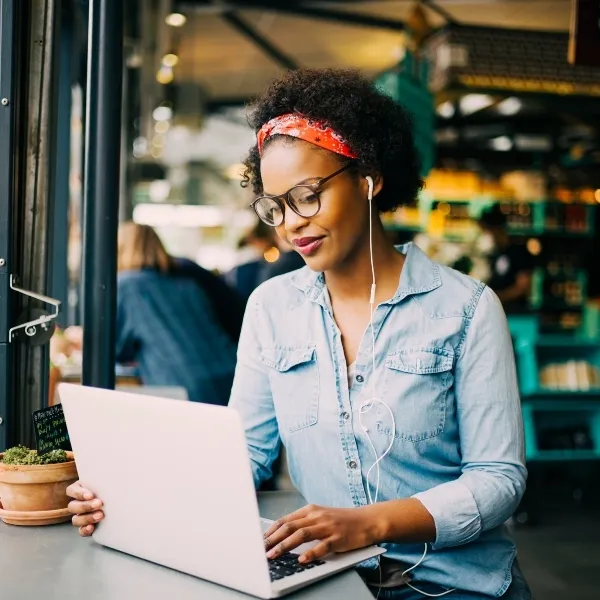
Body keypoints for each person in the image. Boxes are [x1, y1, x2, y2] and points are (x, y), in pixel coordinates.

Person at [66, 69, 531, 600]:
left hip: (456, 589)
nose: (290, 224)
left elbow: (499, 481)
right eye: (275, 206)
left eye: (307, 195)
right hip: (333, 583)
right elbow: (242, 451)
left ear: (369, 179)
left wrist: (369, 525)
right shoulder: (272, 307)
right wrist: (127, 497)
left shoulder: (466, 308)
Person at [114, 222, 237, 404]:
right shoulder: (188, 285)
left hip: (183, 389)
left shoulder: (126, 286)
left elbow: (117, 350)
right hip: (230, 377)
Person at [479, 204, 534, 313]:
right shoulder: (493, 253)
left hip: (515, 313)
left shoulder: (519, 251)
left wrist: (497, 297)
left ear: (496, 229)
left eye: (487, 231)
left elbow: (523, 286)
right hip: (495, 311)